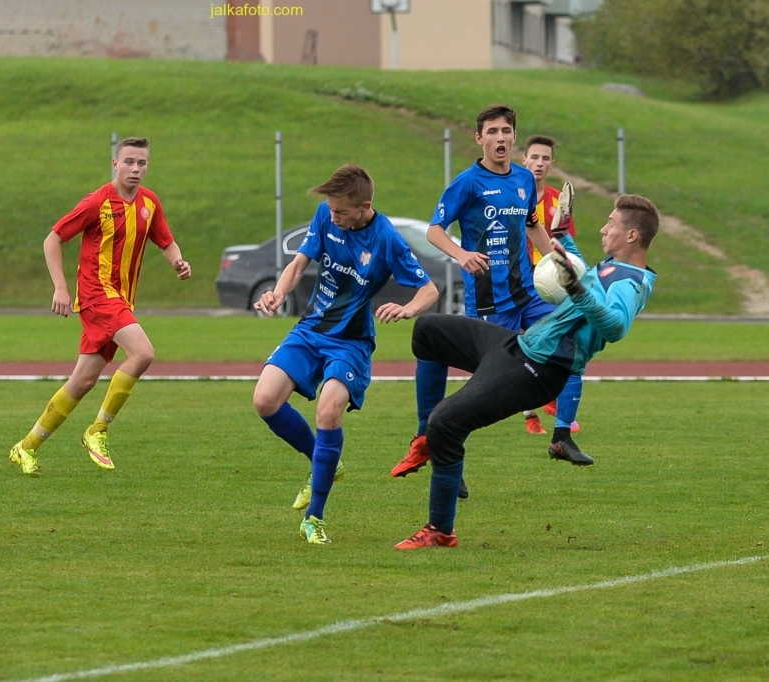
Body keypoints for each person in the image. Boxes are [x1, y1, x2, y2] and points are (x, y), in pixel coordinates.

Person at [394, 194, 659, 549]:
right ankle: (425, 439)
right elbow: (580, 274)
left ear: (631, 236)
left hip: (540, 367)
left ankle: (441, 530)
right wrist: (562, 237)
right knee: (429, 331)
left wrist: (576, 289)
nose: (604, 228)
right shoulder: (612, 266)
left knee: (448, 423)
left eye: (611, 223)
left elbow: (614, 326)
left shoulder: (632, 283)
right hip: (519, 347)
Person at [395, 105, 591, 493]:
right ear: (479, 138)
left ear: (513, 137)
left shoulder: (521, 179)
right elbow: (435, 230)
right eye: (492, 132)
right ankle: (437, 446)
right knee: (481, 392)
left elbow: (533, 225)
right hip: (489, 303)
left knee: (574, 339)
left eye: (506, 131)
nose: (500, 138)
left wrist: (558, 261)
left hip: (528, 294)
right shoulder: (468, 183)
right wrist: (461, 254)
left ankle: (562, 434)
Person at [252, 164, 439, 545]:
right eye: (331, 210)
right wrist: (278, 292)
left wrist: (407, 309)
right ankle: (324, 462)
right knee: (265, 399)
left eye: (340, 212)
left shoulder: (386, 238)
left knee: (328, 409)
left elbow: (430, 289)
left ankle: (314, 518)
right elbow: (300, 262)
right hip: (311, 329)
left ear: (364, 206)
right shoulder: (326, 214)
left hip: (351, 341)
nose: (333, 217)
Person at [9, 137, 190, 475]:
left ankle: (26, 446)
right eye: (129, 162)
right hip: (96, 295)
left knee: (82, 381)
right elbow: (53, 239)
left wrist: (178, 261)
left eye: (142, 163)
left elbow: (166, 240)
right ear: (115, 164)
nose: (136, 169)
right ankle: (98, 430)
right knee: (143, 353)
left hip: (120, 300)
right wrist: (61, 288)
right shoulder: (97, 202)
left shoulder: (149, 202)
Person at [521, 135, 585, 440]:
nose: (540, 163)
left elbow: (565, 243)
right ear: (525, 160)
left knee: (555, 337)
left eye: (545, 158)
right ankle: (532, 414)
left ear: (551, 164)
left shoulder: (559, 200)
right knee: (518, 344)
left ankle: (552, 404)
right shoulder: (512, 194)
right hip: (515, 279)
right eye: (535, 157)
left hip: (547, 281)